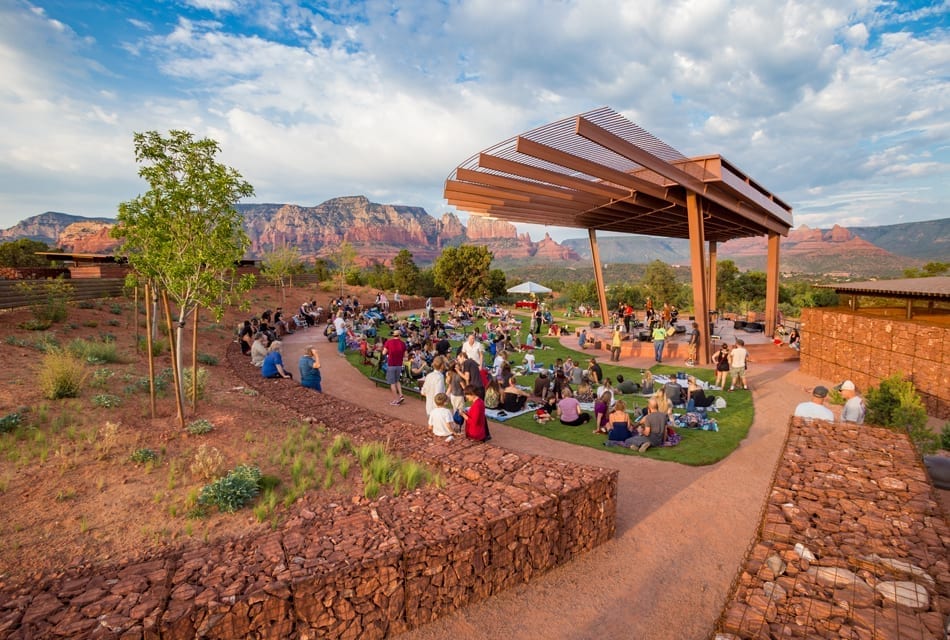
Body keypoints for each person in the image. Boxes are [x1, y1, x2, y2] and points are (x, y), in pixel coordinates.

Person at [383, 332, 407, 405]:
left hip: (391, 364)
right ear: (399, 335)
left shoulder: (389, 342)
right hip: (399, 365)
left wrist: (388, 353)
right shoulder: (403, 344)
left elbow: (384, 353)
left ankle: (396, 400)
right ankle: (401, 395)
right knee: (397, 380)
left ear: (393, 335)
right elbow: (406, 355)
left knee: (392, 383)